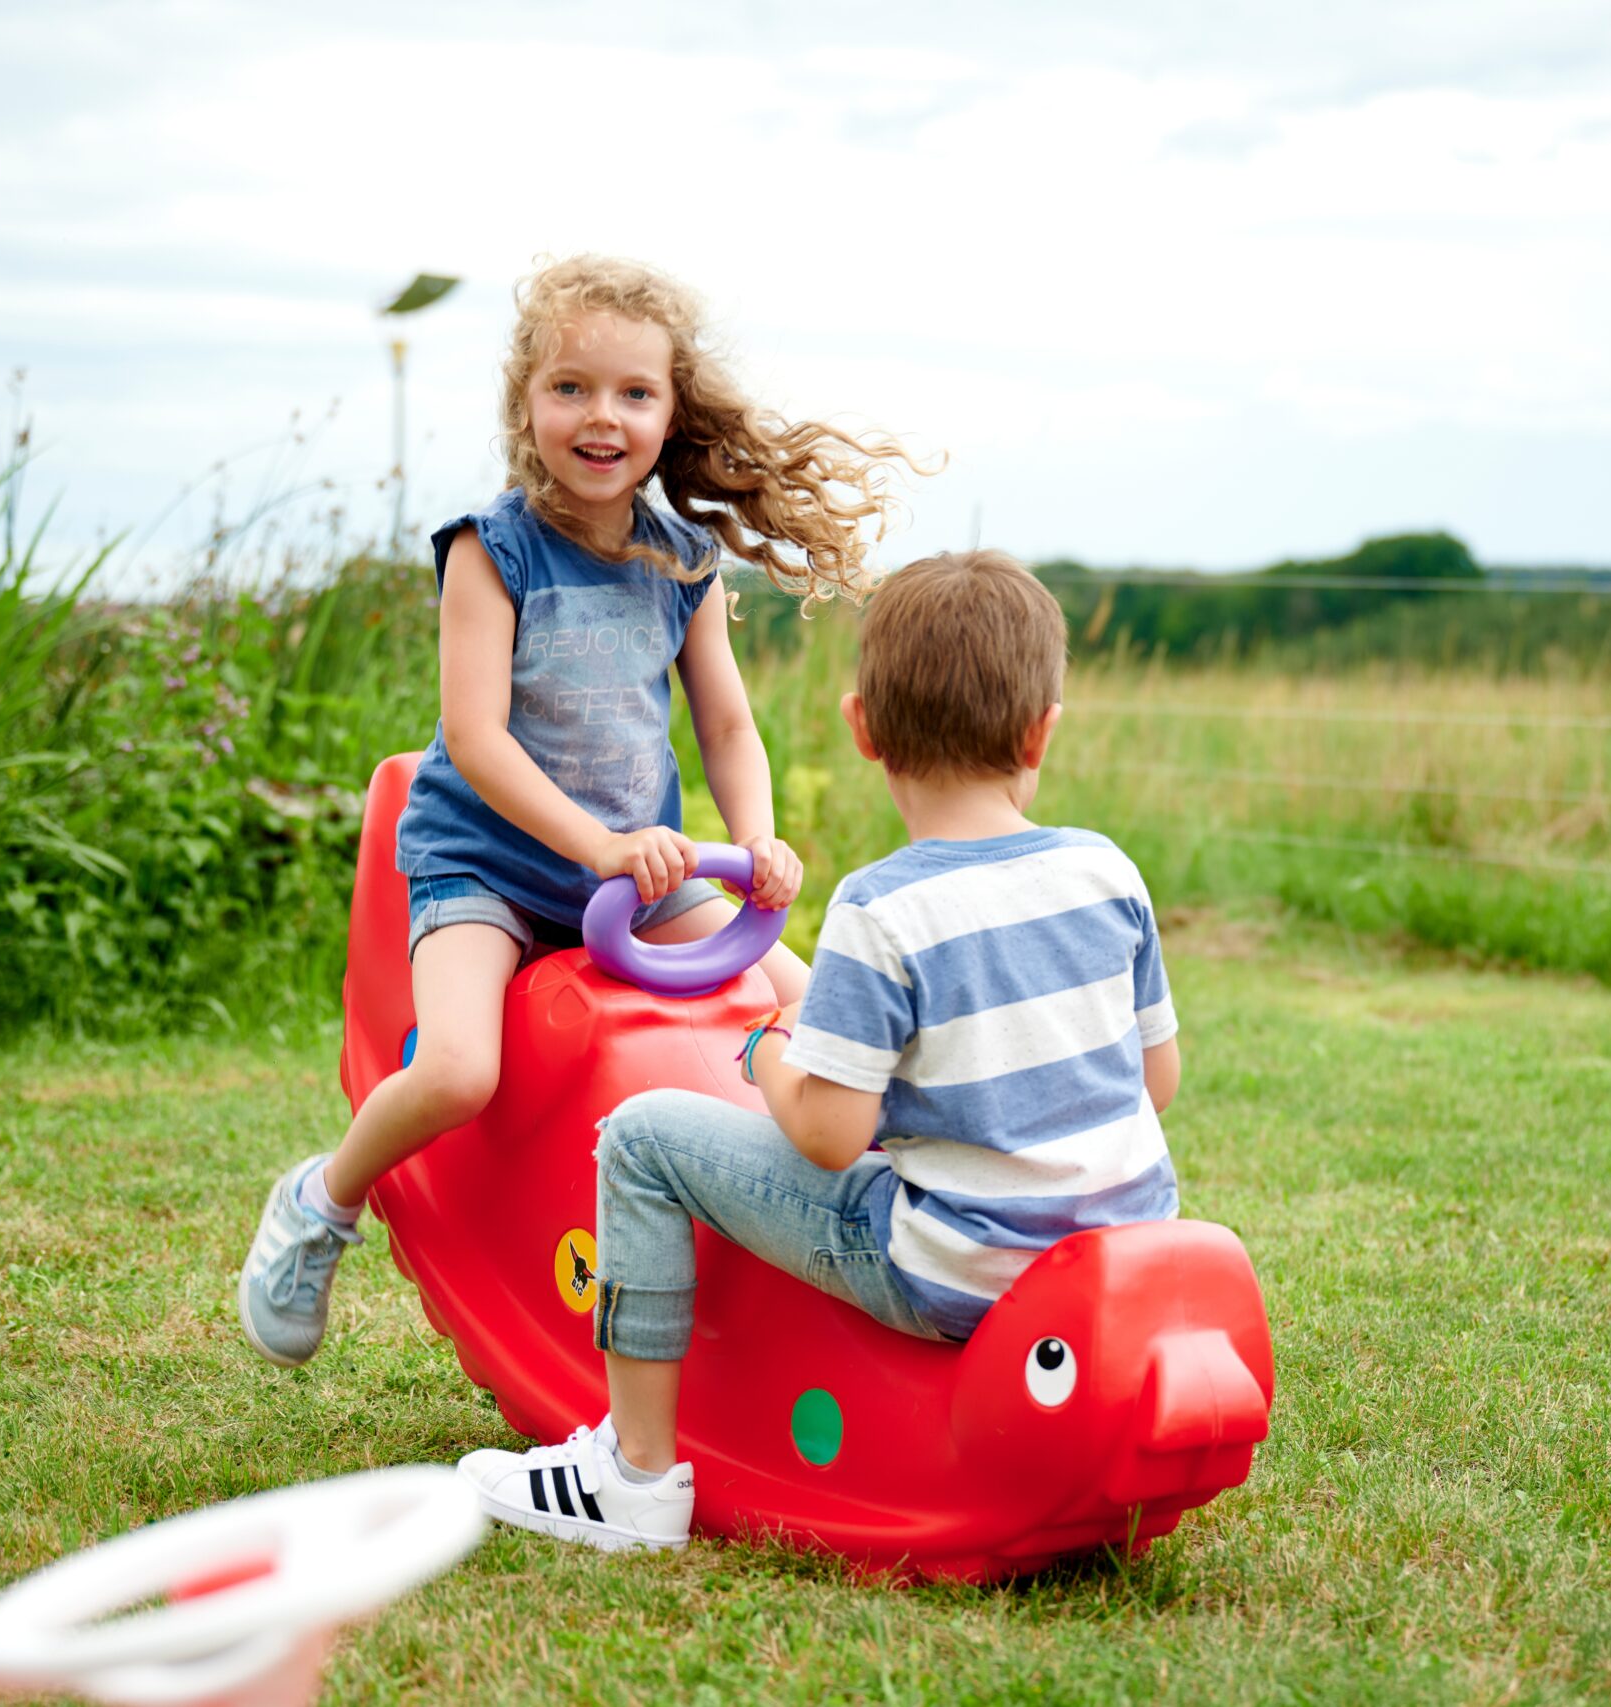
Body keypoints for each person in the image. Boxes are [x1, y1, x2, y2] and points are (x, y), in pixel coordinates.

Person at [240, 256, 926, 1367]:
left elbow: (727, 728)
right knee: (462, 1069)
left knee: (807, 992)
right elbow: (475, 739)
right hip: (491, 867)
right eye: (570, 388)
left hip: (635, 881)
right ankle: (322, 1203)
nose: (599, 416)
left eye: (632, 393)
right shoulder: (489, 550)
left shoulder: (681, 560)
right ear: (527, 404)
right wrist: (602, 843)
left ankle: (900, 1176)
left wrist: (753, 840)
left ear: (669, 412)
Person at [455, 549, 1183, 1550]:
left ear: (862, 730)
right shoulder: (1108, 872)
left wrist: (770, 1056)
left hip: (961, 1272)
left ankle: (633, 1474)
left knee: (640, 1139)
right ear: (1041, 731)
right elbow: (1157, 1081)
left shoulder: (881, 909)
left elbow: (830, 1139)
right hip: (1116, 1254)